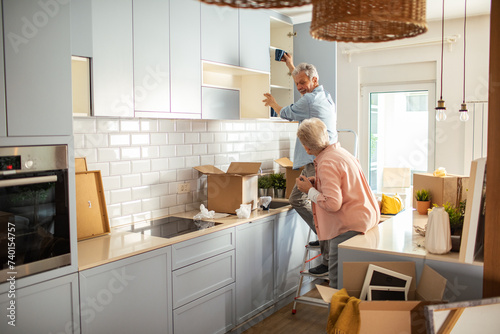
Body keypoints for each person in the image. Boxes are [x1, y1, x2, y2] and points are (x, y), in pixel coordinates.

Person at [262, 53, 337, 277]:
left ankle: (326, 245)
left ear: (314, 80)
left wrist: (273, 103)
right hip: (322, 158)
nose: (299, 87)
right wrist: (291, 66)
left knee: (310, 204)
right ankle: (324, 237)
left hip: (316, 161)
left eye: (302, 83)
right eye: (296, 84)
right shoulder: (324, 96)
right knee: (311, 204)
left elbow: (287, 113)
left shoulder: (310, 101)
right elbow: (304, 87)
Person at [295, 118, 380, 288]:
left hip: (347, 228)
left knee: (337, 285)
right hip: (365, 221)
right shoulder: (341, 153)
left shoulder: (326, 162)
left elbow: (333, 204)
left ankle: (337, 315)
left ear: (306, 147)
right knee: (354, 284)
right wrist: (318, 181)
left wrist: (309, 191)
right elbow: (344, 184)